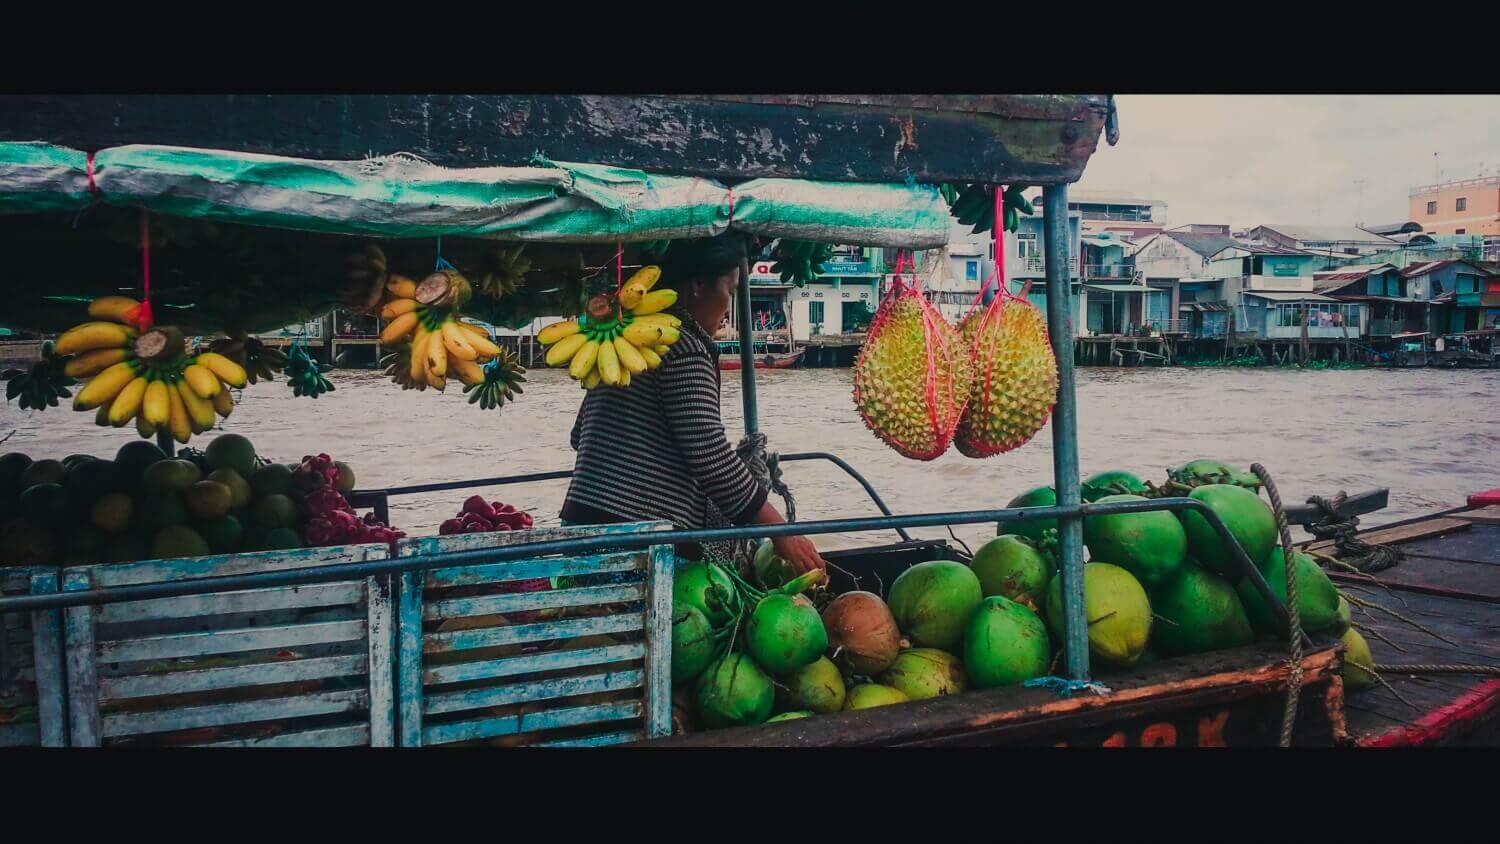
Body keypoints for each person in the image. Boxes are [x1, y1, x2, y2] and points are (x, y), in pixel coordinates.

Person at [561, 234, 827, 574]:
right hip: (634, 545)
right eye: (729, 292)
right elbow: (711, 458)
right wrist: (781, 532)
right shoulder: (684, 347)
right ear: (699, 285)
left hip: (579, 531)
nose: (729, 308)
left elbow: (578, 434)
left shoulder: (631, 340)